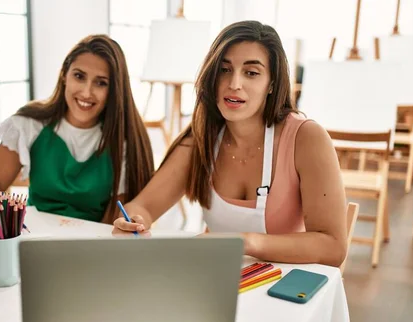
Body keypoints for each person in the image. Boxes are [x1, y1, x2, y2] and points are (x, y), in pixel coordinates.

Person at [113, 21, 347, 267]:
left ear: (272, 84)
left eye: (251, 73)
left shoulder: (307, 138)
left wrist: (246, 243)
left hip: (287, 290)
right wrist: (133, 220)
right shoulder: (202, 138)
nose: (234, 83)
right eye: (224, 70)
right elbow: (143, 206)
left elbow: (332, 246)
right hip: (219, 282)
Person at [0, 34, 154, 223]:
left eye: (101, 82)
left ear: (114, 90)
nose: (86, 92)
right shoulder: (28, 125)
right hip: (33, 240)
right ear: (64, 76)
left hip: (91, 244)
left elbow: (112, 223)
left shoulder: (122, 141)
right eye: (79, 76)